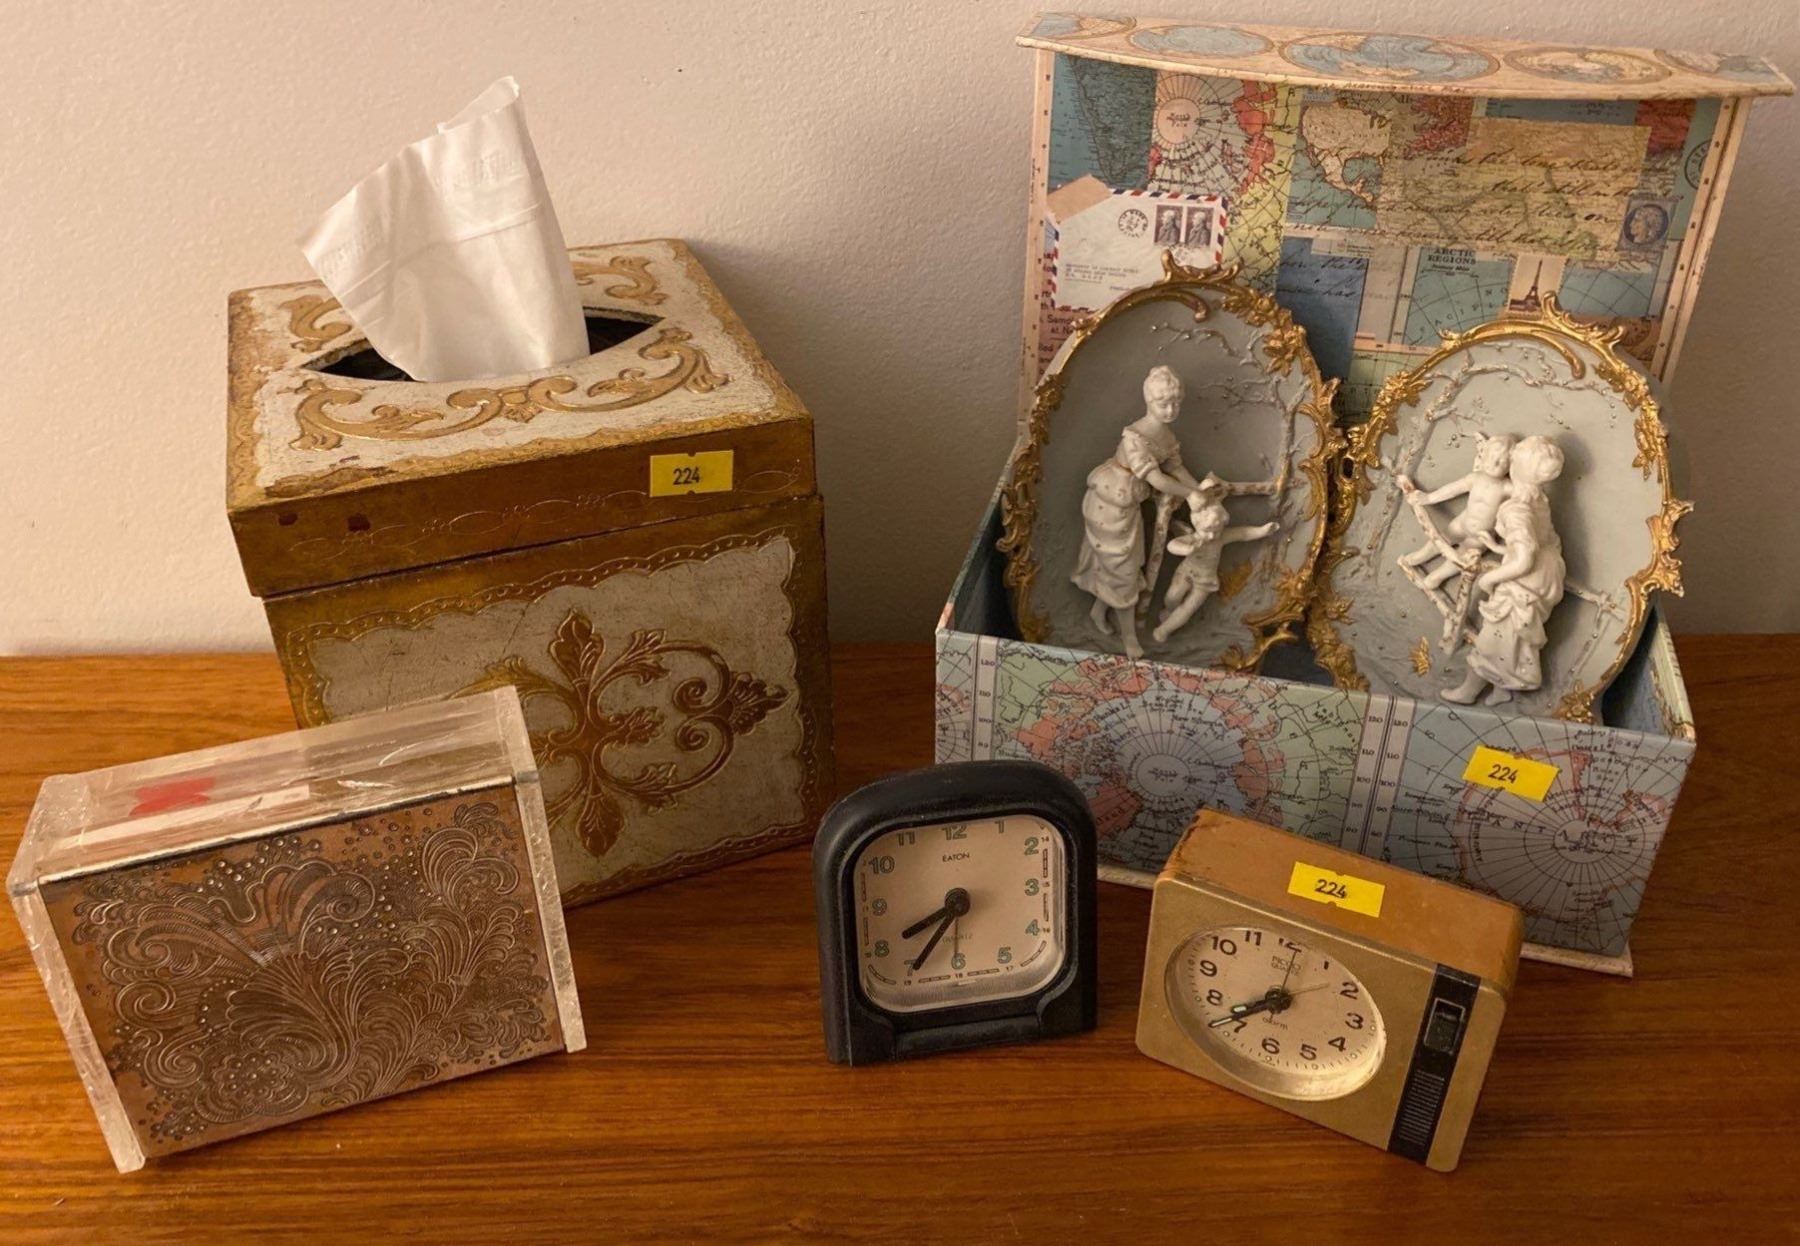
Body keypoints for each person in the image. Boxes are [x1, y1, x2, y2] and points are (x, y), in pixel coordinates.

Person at [1073, 366, 1207, 659]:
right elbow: (1157, 479)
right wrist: (1191, 494)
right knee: (1123, 572)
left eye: (1176, 403)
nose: (1171, 410)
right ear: (1149, 400)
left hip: (1128, 508)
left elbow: (1175, 467)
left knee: (1122, 568)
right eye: (1163, 403)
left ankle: (1098, 612)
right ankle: (1129, 638)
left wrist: (1200, 490)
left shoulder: (1165, 435)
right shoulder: (1134, 438)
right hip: (1110, 505)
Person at [1443, 436, 1567, 707]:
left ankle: (1468, 691)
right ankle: (1502, 690)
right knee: (1515, 642)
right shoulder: (1538, 499)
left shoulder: (1516, 508)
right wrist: (1500, 548)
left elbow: (1523, 560)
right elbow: (1541, 541)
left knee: (1494, 639)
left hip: (1524, 581)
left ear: (1517, 468)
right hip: (1547, 571)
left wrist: (1490, 578)